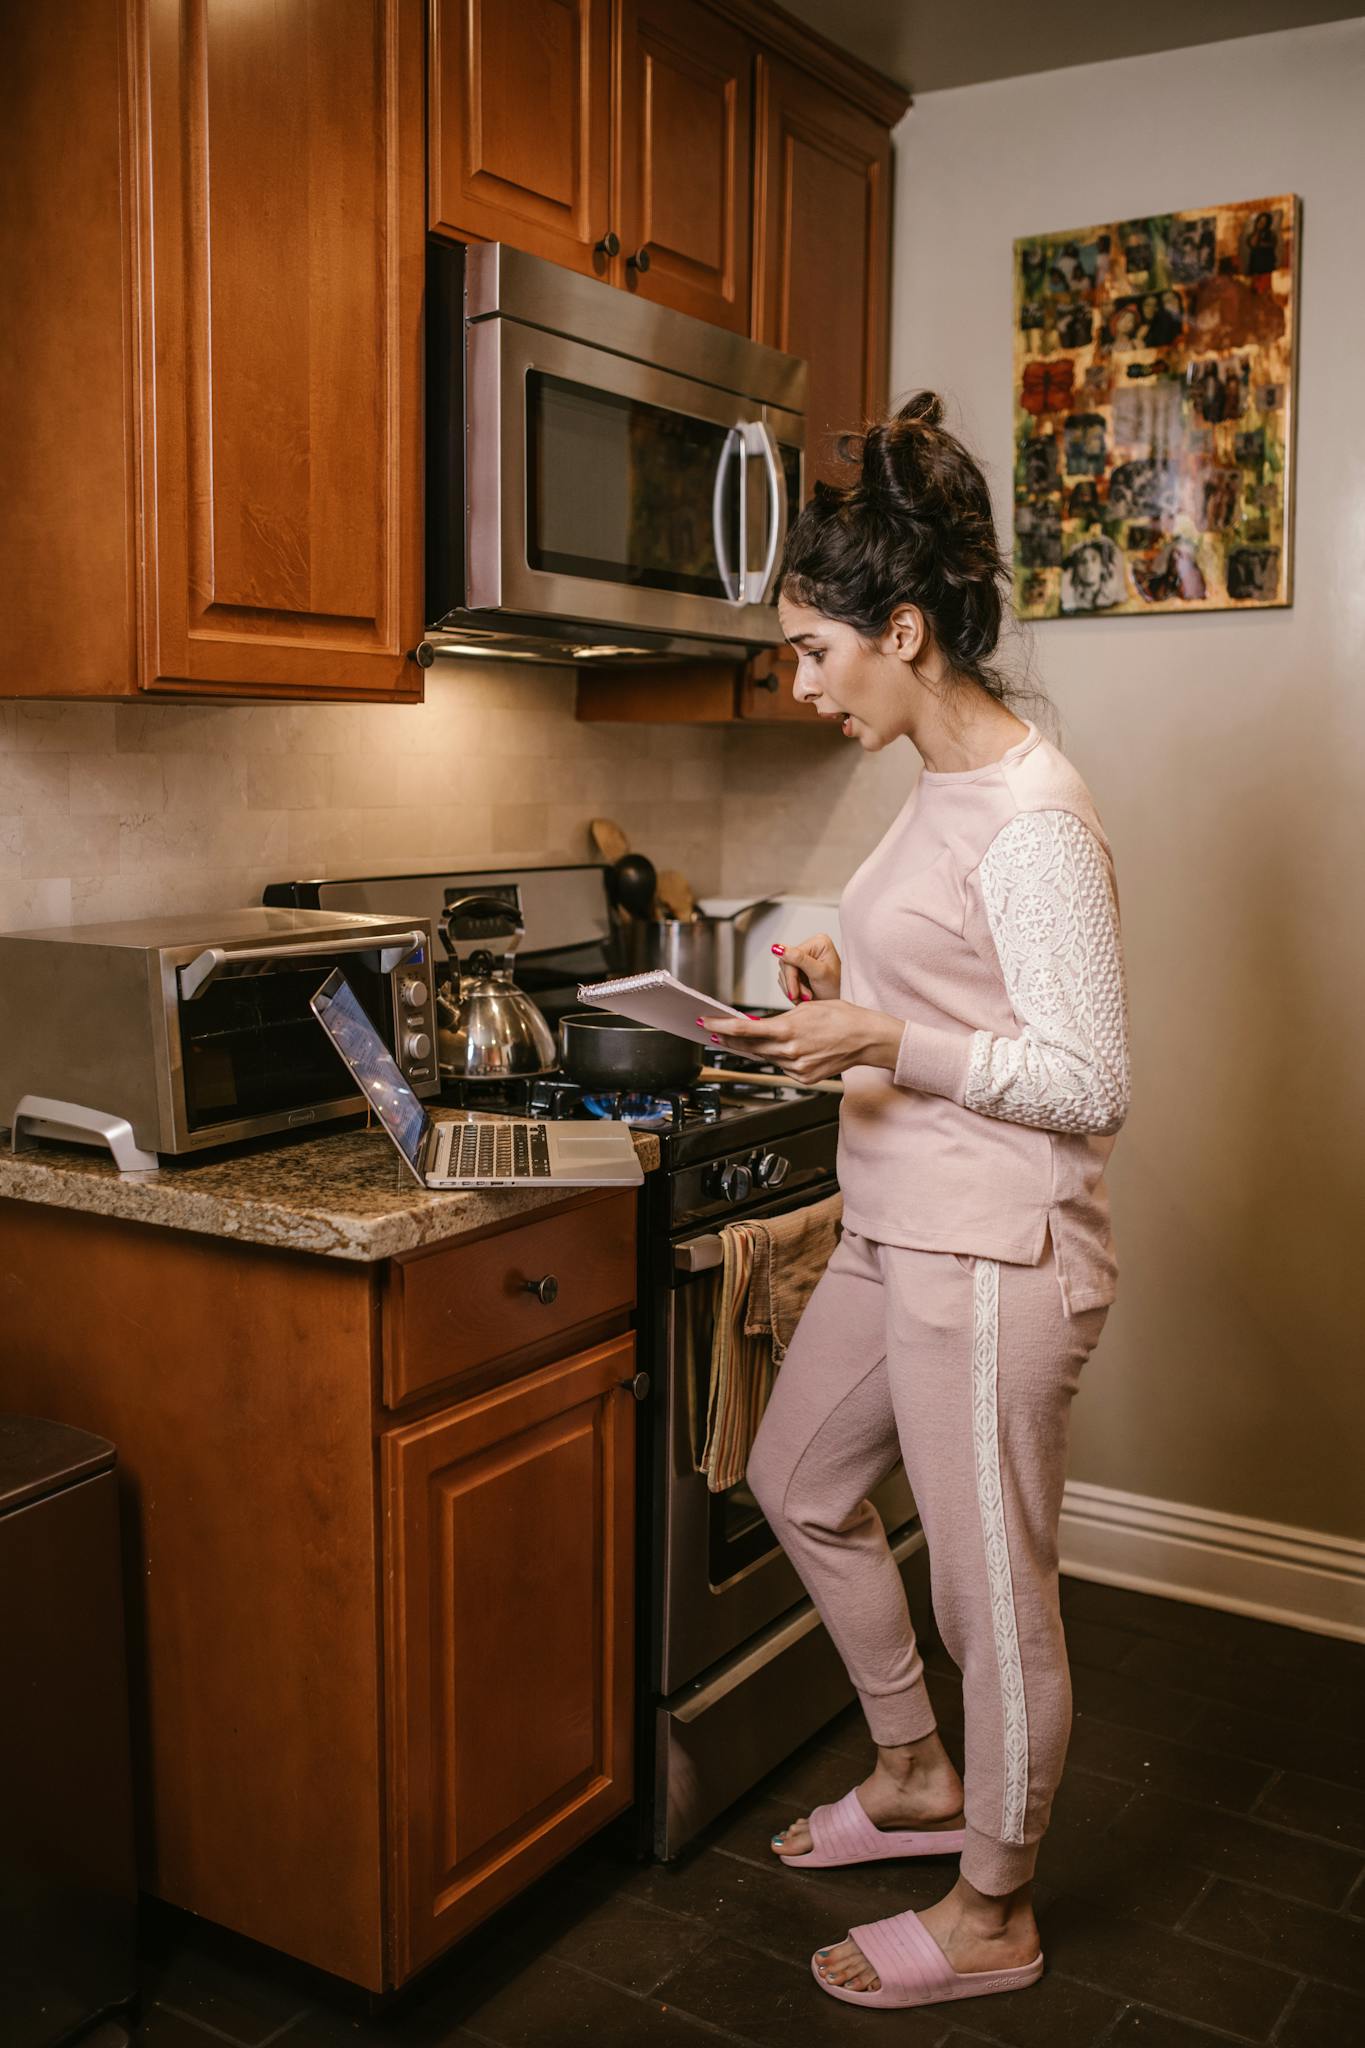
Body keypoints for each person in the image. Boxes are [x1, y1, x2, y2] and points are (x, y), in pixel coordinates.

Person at [698, 393, 1132, 2015]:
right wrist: (843, 980)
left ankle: (994, 1910)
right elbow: (955, 987)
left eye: (815, 651)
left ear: (902, 628)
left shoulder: (1030, 815)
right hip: (896, 1228)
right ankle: (911, 1770)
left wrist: (884, 1034)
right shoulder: (935, 783)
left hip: (996, 1256)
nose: (800, 684)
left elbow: (1088, 1076)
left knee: (990, 1604)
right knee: (792, 1479)